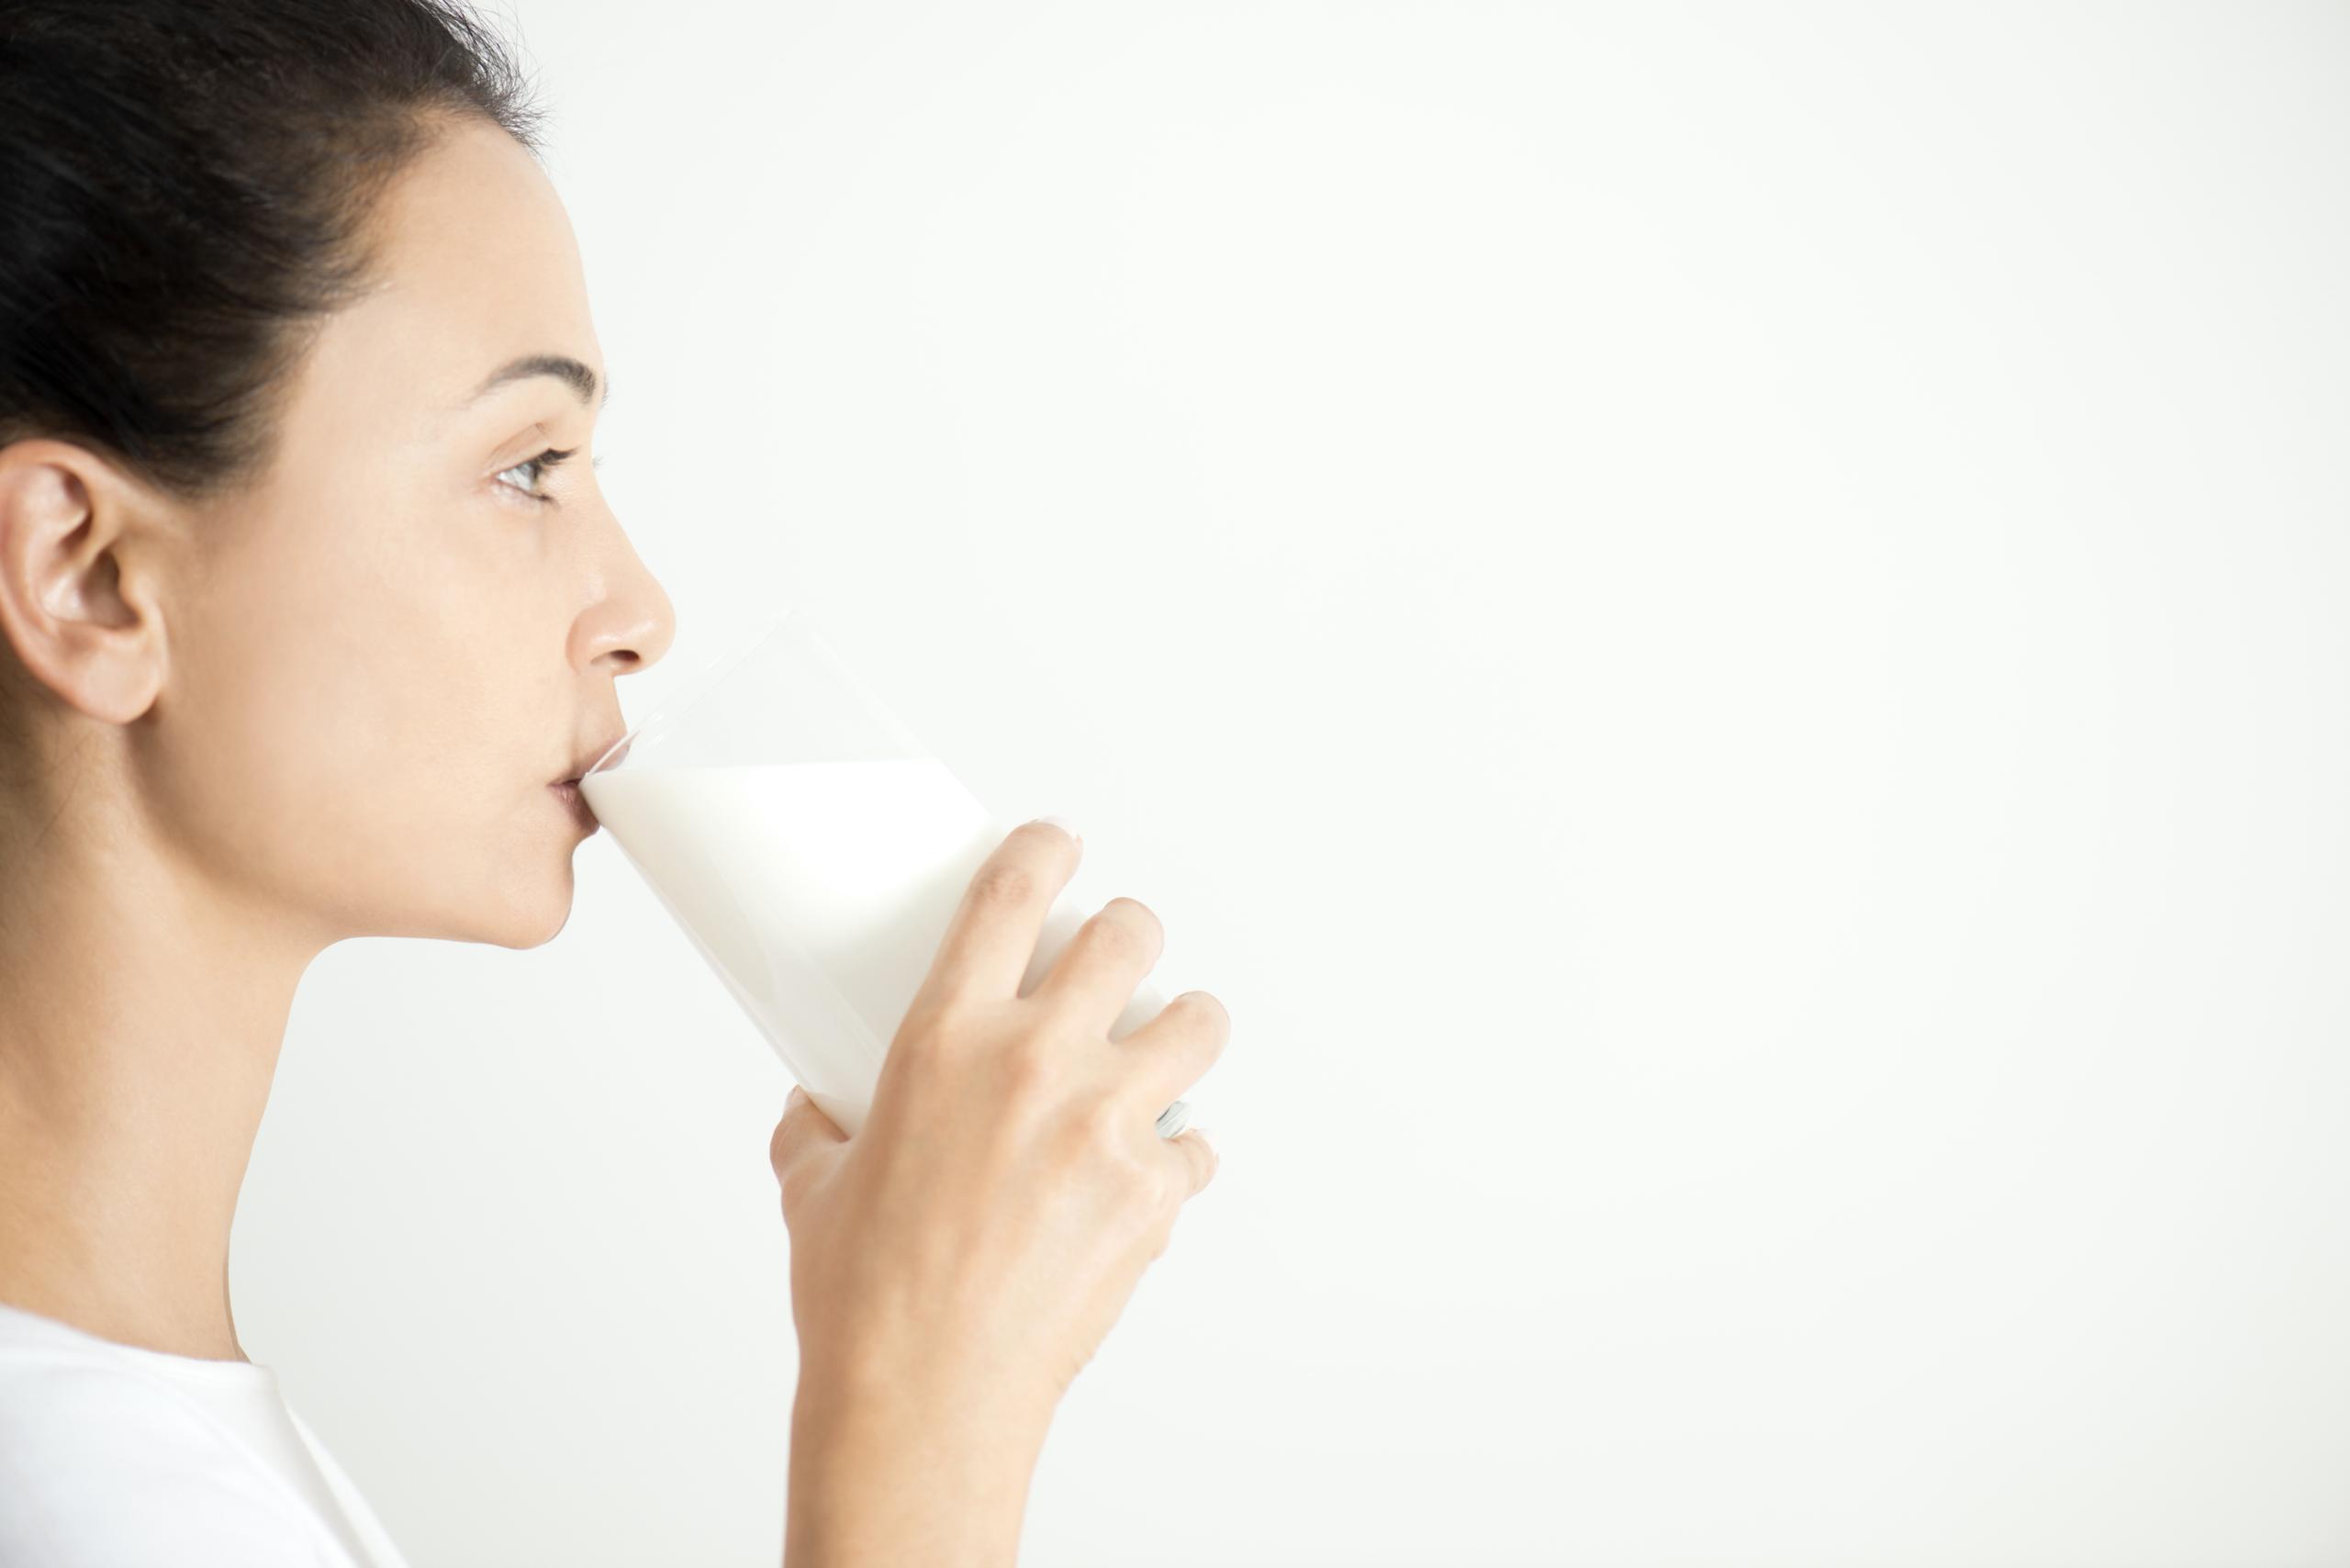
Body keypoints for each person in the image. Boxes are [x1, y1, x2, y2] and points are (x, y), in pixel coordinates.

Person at [0, 2, 1227, 1563]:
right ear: (90, 575)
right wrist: (920, 1409)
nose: (637, 608)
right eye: (526, 467)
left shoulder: (155, 1441)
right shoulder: (77, 1499)